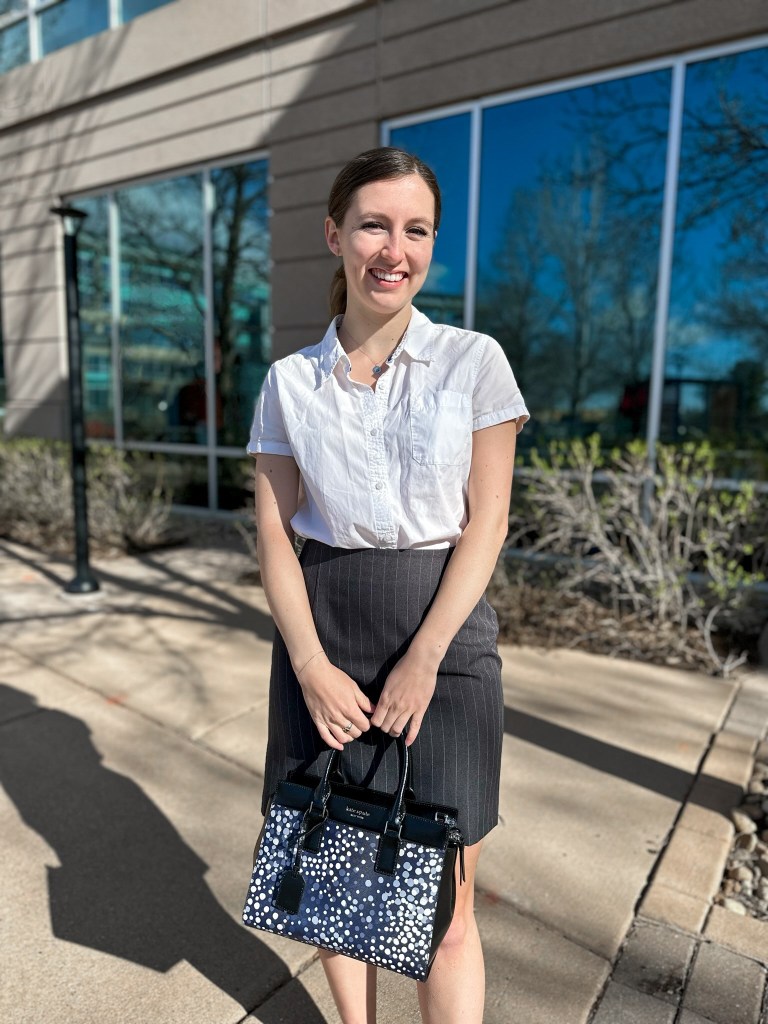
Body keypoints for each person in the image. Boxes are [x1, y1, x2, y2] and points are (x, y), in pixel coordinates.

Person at [247, 146, 529, 1024]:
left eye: (416, 230)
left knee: (443, 908)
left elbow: (487, 521)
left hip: (443, 641)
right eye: (373, 224)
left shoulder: (473, 361)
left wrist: (427, 659)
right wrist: (308, 665)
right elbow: (271, 532)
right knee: (336, 888)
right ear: (335, 234)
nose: (393, 249)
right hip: (321, 638)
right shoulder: (289, 383)